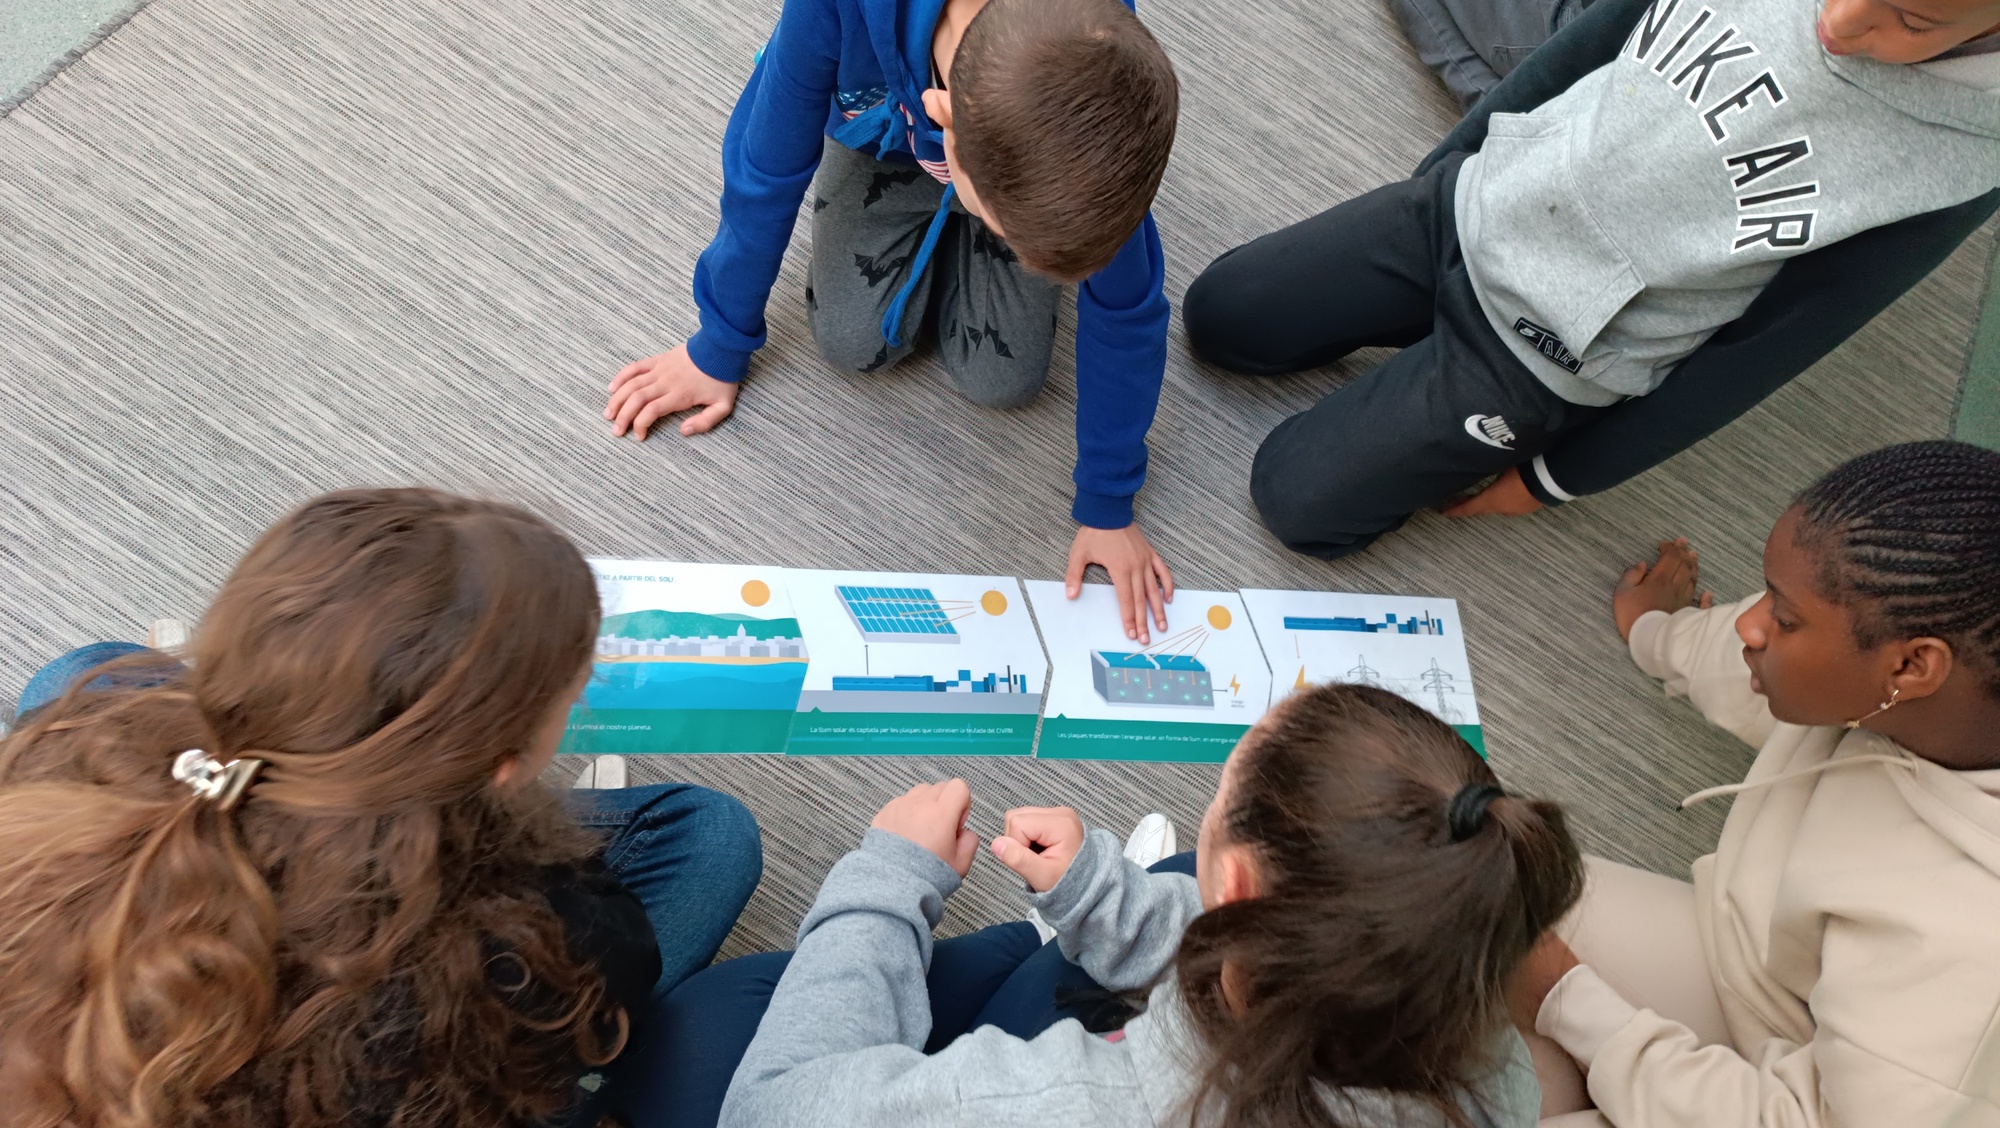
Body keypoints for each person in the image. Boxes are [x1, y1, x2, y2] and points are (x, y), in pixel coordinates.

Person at [0, 488, 763, 1128]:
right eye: (572, 690)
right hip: (383, 1063)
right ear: (502, 768)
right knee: (709, 835)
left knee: (88, 672)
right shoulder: (521, 948)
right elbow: (591, 982)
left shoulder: (74, 749)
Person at [1184, 0, 2000, 561]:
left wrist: (1557, 481)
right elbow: (1589, 41)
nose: (1839, 21)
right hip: (1480, 203)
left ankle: (1450, 387)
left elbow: (1774, 345)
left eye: (1911, 19)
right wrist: (1445, 173)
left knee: (1295, 502)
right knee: (1220, 316)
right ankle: (1416, 330)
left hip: (1552, 353)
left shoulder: (1960, 168)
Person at [637, 682, 1584, 1128]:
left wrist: (886, 884)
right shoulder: (1481, 1059)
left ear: (1237, 896)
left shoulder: (1057, 1104)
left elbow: (773, 1111)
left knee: (683, 1045)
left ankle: (1017, 952)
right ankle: (1039, 943)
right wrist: (1097, 894)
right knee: (1149, 887)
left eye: (1222, 789)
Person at [602, 0, 1182, 643]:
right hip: (881, 133)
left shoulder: (1094, 54)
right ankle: (987, 213)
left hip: (993, 153)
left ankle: (1002, 216)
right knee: (850, 341)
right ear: (944, 119)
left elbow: (1129, 310)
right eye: (1009, 235)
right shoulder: (830, 11)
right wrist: (720, 342)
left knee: (1004, 382)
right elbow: (764, 171)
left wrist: (1108, 501)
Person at [1509, 440, 2000, 1127]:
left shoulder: (1970, 949)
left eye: (1783, 617)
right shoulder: (1926, 684)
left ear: (1912, 667)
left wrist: (1568, 1002)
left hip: (1818, 1107)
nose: (1749, 623)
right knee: (1473, 891)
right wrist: (1657, 631)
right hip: (1756, 976)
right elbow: (1741, 664)